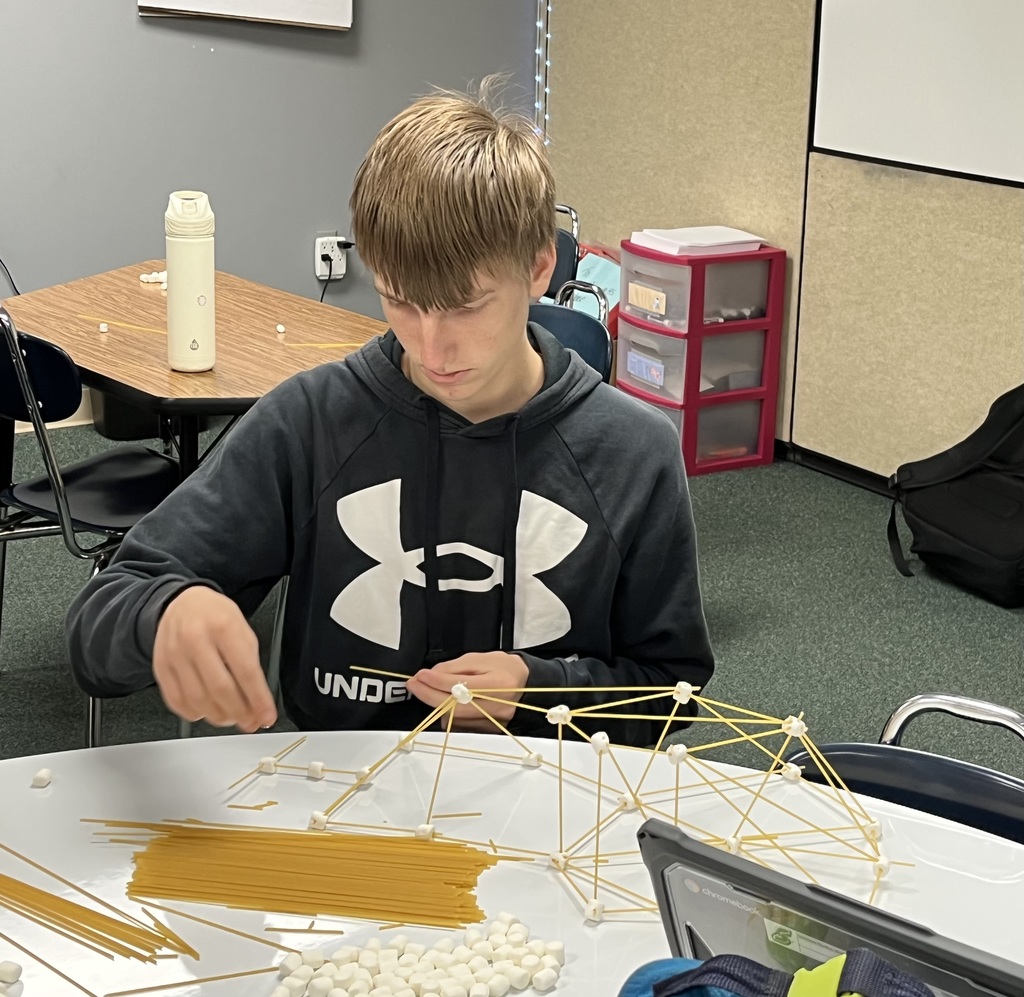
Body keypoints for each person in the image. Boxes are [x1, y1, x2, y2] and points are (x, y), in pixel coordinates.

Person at [66, 78, 714, 747]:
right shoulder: (308, 423)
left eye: (466, 305)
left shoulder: (635, 451)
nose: (433, 347)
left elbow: (671, 689)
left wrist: (538, 690)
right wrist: (166, 613)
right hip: (341, 805)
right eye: (400, 299)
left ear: (539, 266)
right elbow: (98, 623)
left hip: (551, 810)